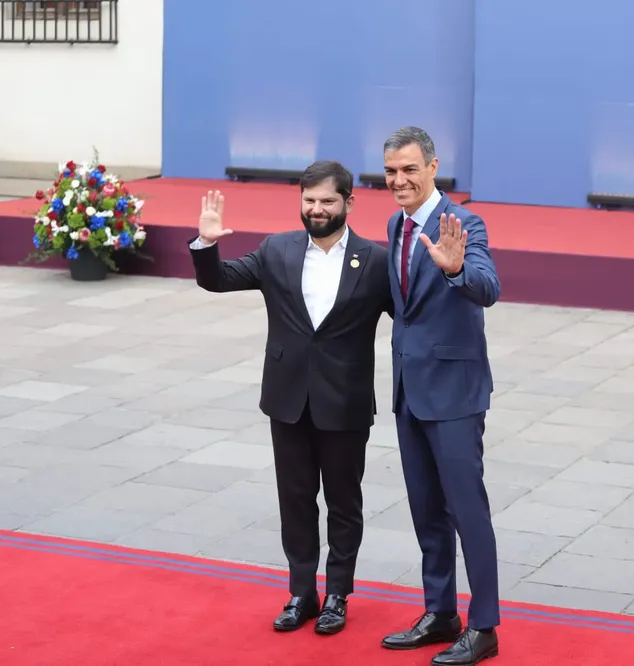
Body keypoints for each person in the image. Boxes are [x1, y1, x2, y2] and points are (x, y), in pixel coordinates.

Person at [189, 160, 393, 636]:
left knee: (344, 503)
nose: (317, 209)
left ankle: (338, 594)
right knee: (296, 499)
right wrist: (207, 243)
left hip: (344, 402)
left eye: (326, 201)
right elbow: (216, 279)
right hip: (287, 400)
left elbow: (409, 315)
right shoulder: (277, 249)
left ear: (348, 202)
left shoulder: (376, 260)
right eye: (309, 201)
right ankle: (302, 591)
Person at [377, 127, 502, 665]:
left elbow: (488, 287)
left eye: (409, 169)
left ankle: (484, 626)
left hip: (453, 392)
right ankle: (440, 611)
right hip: (409, 389)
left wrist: (455, 270)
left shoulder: (464, 223)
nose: (399, 180)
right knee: (426, 510)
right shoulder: (393, 224)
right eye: (390, 172)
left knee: (466, 510)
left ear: (432, 167)